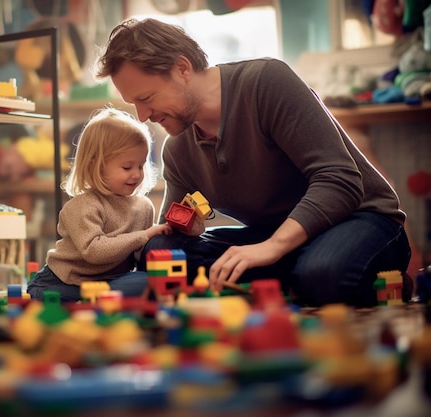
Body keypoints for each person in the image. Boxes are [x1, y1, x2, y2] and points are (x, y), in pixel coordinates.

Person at [94, 18, 411, 307]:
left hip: (357, 220)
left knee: (322, 274)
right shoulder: (178, 150)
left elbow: (339, 180)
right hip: (273, 238)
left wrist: (272, 247)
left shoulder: (265, 82)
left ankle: (313, 279)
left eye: (146, 99)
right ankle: (290, 283)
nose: (142, 116)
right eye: (134, 104)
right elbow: (169, 236)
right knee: (159, 252)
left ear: (182, 68)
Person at [26, 107, 172, 302]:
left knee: (148, 281)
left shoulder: (143, 206)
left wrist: (179, 228)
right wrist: (144, 235)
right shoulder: (81, 207)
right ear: (95, 166)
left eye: (141, 165)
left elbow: (140, 253)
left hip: (108, 281)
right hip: (62, 282)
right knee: (54, 301)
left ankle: (99, 302)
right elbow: (94, 252)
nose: (137, 174)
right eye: (127, 167)